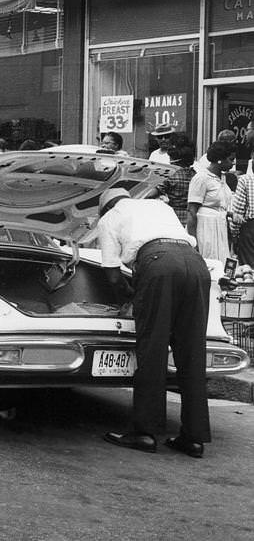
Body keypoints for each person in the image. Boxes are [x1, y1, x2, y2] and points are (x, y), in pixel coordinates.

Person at [96, 188, 210, 459]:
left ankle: (144, 433)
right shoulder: (159, 207)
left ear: (105, 207)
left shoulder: (109, 219)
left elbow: (112, 276)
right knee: (193, 353)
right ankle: (194, 438)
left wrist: (132, 299)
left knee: (153, 349)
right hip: (196, 265)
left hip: (158, 265)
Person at [187, 142, 233, 263]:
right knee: (209, 262)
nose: (232, 163)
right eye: (230, 159)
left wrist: (230, 214)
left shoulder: (223, 178)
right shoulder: (201, 178)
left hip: (221, 228)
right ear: (219, 160)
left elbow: (220, 205)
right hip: (205, 229)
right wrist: (193, 242)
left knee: (223, 264)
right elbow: (191, 212)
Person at [155, 144, 196, 227]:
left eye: (170, 159)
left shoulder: (171, 175)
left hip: (174, 217)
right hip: (192, 217)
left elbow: (152, 193)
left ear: (176, 161)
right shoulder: (195, 175)